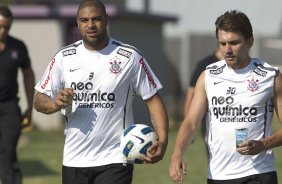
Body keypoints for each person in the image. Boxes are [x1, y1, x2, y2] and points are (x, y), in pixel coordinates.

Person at [33, 1, 169, 184]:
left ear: (106, 20)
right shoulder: (63, 58)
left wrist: (163, 140)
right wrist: (54, 104)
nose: (90, 25)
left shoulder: (129, 57)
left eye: (96, 19)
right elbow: (39, 100)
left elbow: (153, 100)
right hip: (74, 159)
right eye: (84, 20)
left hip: (115, 158)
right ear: (78, 22)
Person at [170, 9, 282, 184]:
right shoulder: (208, 76)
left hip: (258, 173)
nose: (227, 50)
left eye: (234, 43)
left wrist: (263, 145)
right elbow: (191, 122)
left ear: (250, 42)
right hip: (218, 175)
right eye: (222, 43)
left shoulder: (270, 76)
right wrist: (177, 154)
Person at [0, 5, 35, 184]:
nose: (2, 30)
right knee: (6, 155)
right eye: (0, 26)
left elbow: (28, 75)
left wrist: (30, 107)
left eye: (6, 26)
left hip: (9, 108)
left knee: (7, 152)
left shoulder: (18, 47)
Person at [184, 47, 223, 147]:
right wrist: (187, 127)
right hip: (210, 123)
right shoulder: (205, 65)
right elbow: (191, 93)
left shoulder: (239, 66)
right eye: (224, 43)